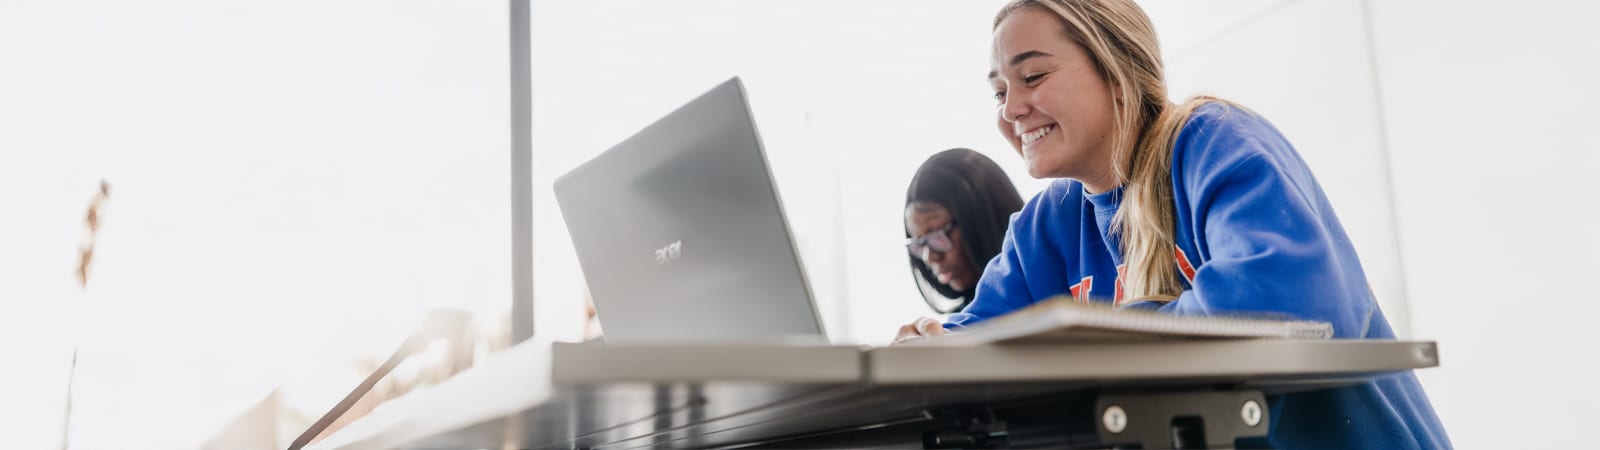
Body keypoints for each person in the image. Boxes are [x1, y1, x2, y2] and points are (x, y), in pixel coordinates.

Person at [893, 0, 1451, 447]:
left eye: (1033, 75)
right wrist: (930, 344)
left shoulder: (1209, 141)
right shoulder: (1048, 222)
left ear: (1115, 71)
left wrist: (1093, 342)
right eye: (998, 92)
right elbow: (979, 337)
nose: (1010, 108)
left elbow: (1299, 303)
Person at [904, 148, 1025, 314]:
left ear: (984, 218)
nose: (930, 257)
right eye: (919, 244)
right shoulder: (964, 323)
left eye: (937, 236)